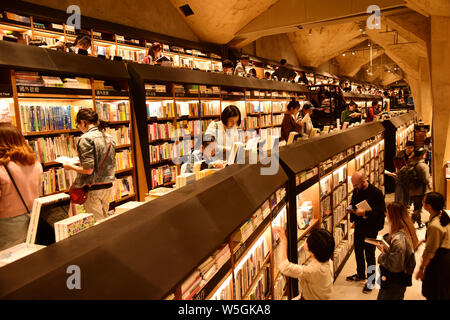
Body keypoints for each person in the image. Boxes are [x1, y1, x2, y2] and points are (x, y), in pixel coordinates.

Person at [63, 109, 116, 222]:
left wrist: (69, 166)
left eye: (78, 125)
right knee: (105, 219)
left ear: (83, 122)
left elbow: (88, 170)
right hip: (108, 185)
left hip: (93, 188)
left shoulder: (85, 138)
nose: (80, 128)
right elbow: (103, 159)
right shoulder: (109, 137)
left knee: (97, 224)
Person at [0, 123, 42, 250]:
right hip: (33, 217)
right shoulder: (35, 163)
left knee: (9, 264)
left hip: (8, 223)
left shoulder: (2, 168)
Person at [346, 172, 386, 294]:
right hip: (359, 226)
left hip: (371, 228)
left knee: (369, 254)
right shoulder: (357, 190)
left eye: (356, 184)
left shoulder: (376, 193)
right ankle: (360, 274)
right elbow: (353, 202)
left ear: (364, 181)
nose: (354, 187)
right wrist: (350, 208)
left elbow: (380, 213)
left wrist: (365, 213)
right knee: (358, 251)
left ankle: (371, 281)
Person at [272, 227, 335, 300]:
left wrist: (284, 241)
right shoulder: (328, 262)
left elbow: (284, 267)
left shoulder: (313, 270)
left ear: (313, 249)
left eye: (308, 239)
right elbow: (317, 290)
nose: (305, 240)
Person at [376, 202, 418, 300]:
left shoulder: (399, 238)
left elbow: (395, 264)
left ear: (392, 215)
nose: (386, 215)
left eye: (387, 212)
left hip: (393, 281)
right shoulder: (407, 230)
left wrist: (382, 255)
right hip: (398, 280)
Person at [416, 192, 450, 300]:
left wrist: (421, 269)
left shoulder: (435, 225)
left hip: (440, 262)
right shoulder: (442, 215)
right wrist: (427, 239)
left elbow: (430, 253)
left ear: (429, 206)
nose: (422, 203)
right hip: (445, 258)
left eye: (424, 201)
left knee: (435, 292)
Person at [408, 148, 432, 229]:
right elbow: (426, 179)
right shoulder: (423, 166)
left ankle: (419, 223)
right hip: (421, 190)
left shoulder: (413, 164)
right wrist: (430, 185)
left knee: (417, 207)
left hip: (412, 190)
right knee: (418, 208)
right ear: (422, 155)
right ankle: (411, 224)